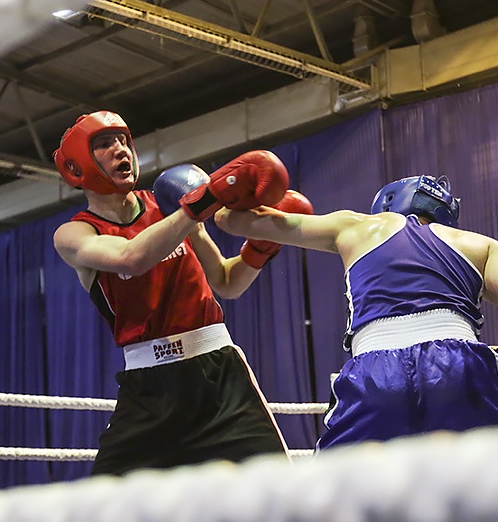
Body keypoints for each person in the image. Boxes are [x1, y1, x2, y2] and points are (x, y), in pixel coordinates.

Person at [51, 110, 312, 475]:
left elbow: (226, 281)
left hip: (219, 377)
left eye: (123, 140)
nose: (121, 150)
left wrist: (261, 247)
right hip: (149, 392)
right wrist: (203, 201)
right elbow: (131, 259)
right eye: (104, 144)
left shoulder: (169, 205)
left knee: (277, 496)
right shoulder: (75, 235)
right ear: (77, 166)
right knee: (104, 506)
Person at [214, 174, 498, 450]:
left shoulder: (356, 227)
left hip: (375, 372)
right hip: (460, 368)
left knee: (327, 496)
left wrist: (223, 197)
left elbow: (233, 223)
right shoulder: (480, 245)